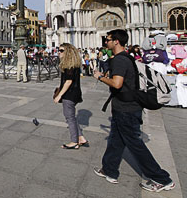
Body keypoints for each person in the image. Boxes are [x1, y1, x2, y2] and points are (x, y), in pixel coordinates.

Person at [93, 29, 175, 192]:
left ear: (116, 41)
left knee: (135, 145)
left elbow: (117, 83)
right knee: (116, 140)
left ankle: (161, 179)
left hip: (126, 110)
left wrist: (100, 77)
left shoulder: (119, 60)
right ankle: (109, 170)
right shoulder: (127, 57)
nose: (105, 42)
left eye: (107, 39)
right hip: (124, 107)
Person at [54, 43, 88, 149]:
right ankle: (81, 138)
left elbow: (68, 81)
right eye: (58, 50)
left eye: (61, 50)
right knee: (72, 117)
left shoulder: (69, 65)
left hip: (69, 94)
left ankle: (74, 141)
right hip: (75, 93)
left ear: (68, 52)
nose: (59, 52)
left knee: (69, 117)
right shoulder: (74, 64)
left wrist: (59, 95)